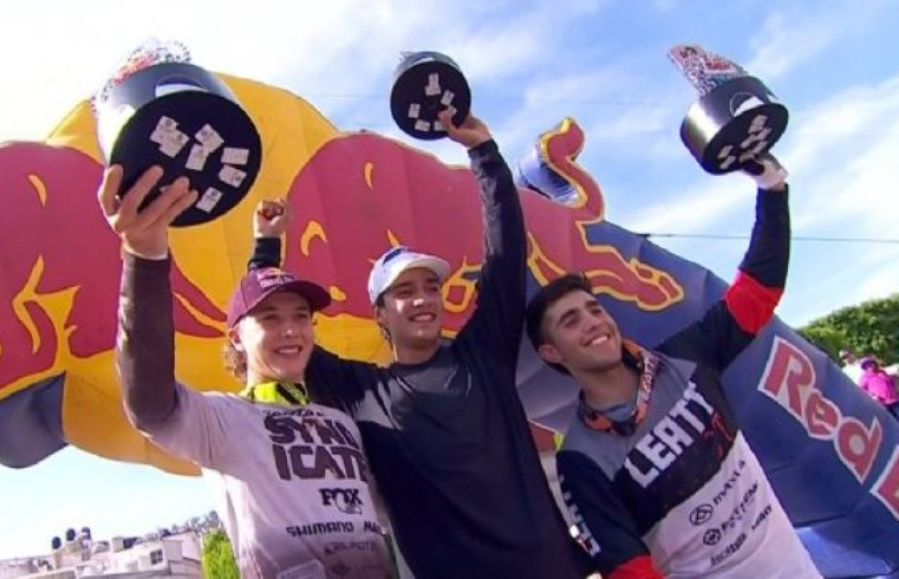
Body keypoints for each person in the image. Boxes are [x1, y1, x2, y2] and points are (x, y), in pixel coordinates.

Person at [251, 110, 587, 578]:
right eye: (405, 292)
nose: (424, 298)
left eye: (431, 287)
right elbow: (274, 331)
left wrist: (485, 154)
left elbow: (505, 253)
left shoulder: (483, 353)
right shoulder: (361, 391)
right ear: (380, 312)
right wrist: (266, 248)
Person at [524, 156, 821, 577]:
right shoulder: (579, 460)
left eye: (594, 309)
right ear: (552, 352)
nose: (593, 322)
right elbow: (629, 569)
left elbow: (757, 293)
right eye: (571, 321)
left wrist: (772, 190)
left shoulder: (684, 355)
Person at [99, 166, 394, 578]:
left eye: (301, 316)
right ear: (236, 336)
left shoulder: (343, 423)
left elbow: (400, 510)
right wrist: (145, 257)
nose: (290, 329)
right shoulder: (223, 421)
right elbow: (149, 402)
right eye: (270, 318)